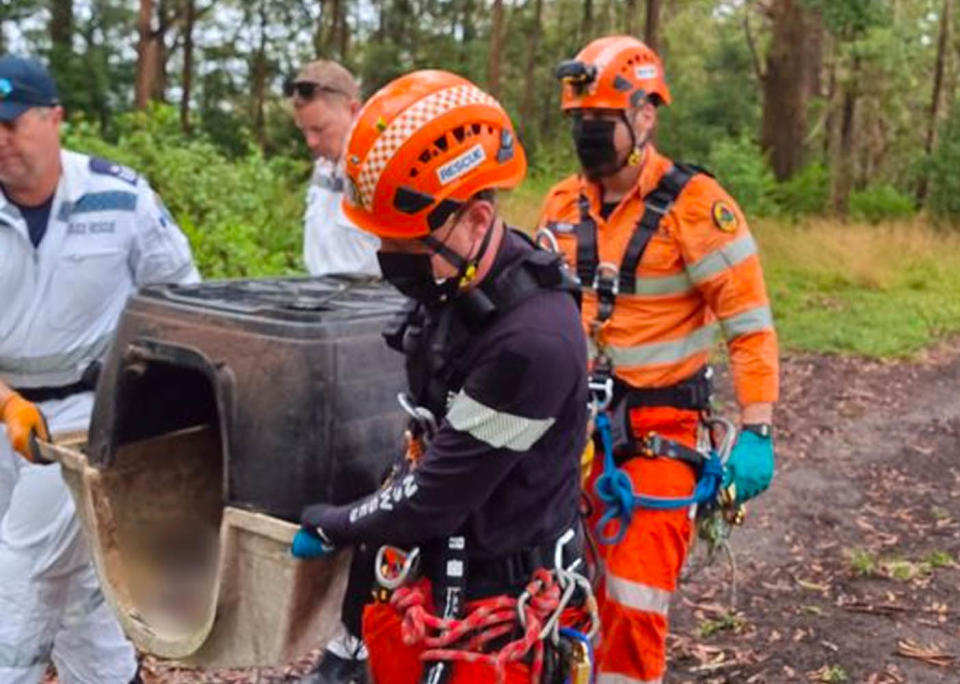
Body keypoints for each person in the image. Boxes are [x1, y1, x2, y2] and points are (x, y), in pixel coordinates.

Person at [291, 69, 590, 683]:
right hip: (428, 585)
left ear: (477, 220)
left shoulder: (531, 343)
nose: (390, 261)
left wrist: (336, 523)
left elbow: (435, 494)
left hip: (494, 619)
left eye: (406, 244)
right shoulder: (457, 284)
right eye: (382, 242)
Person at [537, 36, 780, 684]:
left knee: (634, 603)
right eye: (579, 122)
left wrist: (756, 429)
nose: (588, 135)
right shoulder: (563, 205)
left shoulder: (700, 208)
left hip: (657, 438)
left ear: (645, 115)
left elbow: (750, 329)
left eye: (601, 122)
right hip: (572, 437)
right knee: (556, 592)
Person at [0, 55, 199, 683]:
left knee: (21, 574)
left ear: (54, 119)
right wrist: (6, 401)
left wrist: (157, 414)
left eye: (12, 123)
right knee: (80, 582)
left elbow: (182, 303)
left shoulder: (120, 199)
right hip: (8, 407)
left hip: (88, 415)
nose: (1, 140)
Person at [287, 59, 380, 277]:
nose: (311, 142)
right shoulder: (322, 168)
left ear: (354, 110)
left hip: (373, 307)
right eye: (305, 130)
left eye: (319, 129)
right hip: (319, 301)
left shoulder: (382, 171)